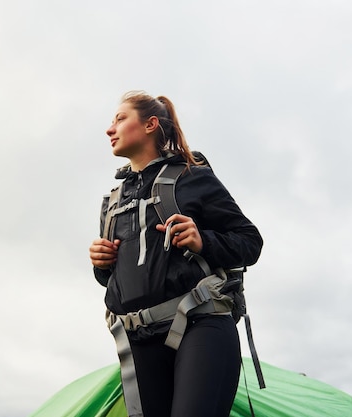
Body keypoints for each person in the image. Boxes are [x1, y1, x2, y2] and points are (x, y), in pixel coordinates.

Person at [89, 91, 263, 417]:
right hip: (138, 340)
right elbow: (114, 278)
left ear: (151, 124)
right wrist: (101, 264)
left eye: (120, 119)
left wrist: (202, 240)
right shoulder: (111, 203)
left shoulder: (192, 176)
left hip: (201, 323)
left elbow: (250, 241)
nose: (109, 129)